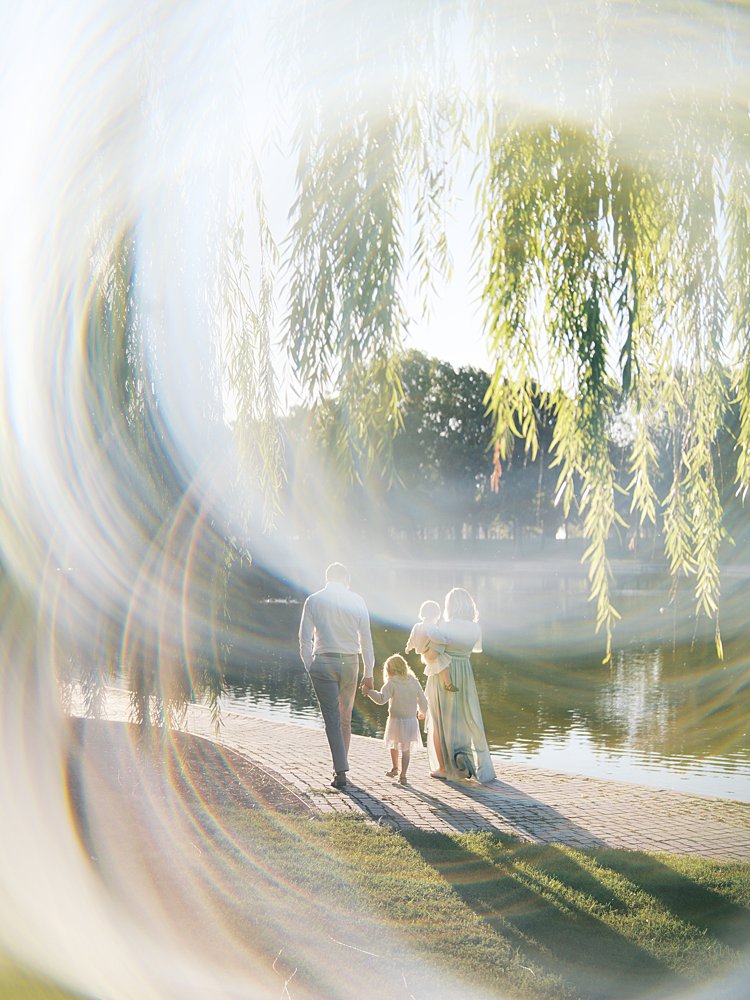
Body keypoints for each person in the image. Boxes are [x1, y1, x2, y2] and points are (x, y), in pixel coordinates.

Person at [299, 563, 375, 789]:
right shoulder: (357, 600)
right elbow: (366, 641)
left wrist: (309, 665)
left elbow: (304, 638)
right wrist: (369, 671)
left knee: (331, 719)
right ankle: (341, 768)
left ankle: (340, 771)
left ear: (327, 578)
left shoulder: (313, 600)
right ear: (346, 578)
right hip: (351, 662)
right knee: (345, 718)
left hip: (323, 661)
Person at [424, 587, 495, 783]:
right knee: (464, 718)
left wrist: (424, 647)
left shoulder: (444, 627)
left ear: (450, 606)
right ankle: (461, 760)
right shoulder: (475, 628)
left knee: (439, 721)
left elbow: (432, 656)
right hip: (465, 673)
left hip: (443, 673)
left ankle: (444, 767)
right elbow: (472, 650)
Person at [366, 654, 428, 785]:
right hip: (410, 721)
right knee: (406, 749)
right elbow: (422, 699)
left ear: (390, 670)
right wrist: (423, 712)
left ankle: (396, 768)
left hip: (395, 720)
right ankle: (402, 774)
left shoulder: (392, 683)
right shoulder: (413, 681)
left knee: (394, 744)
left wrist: (369, 692)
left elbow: (381, 699)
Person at [405, 600, 458, 692]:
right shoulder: (430, 626)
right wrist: (445, 641)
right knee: (444, 666)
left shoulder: (417, 626)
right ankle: (448, 684)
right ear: (435, 616)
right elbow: (435, 637)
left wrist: (408, 647)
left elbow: (412, 639)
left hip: (424, 653)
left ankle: (445, 684)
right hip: (430, 652)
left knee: (439, 665)